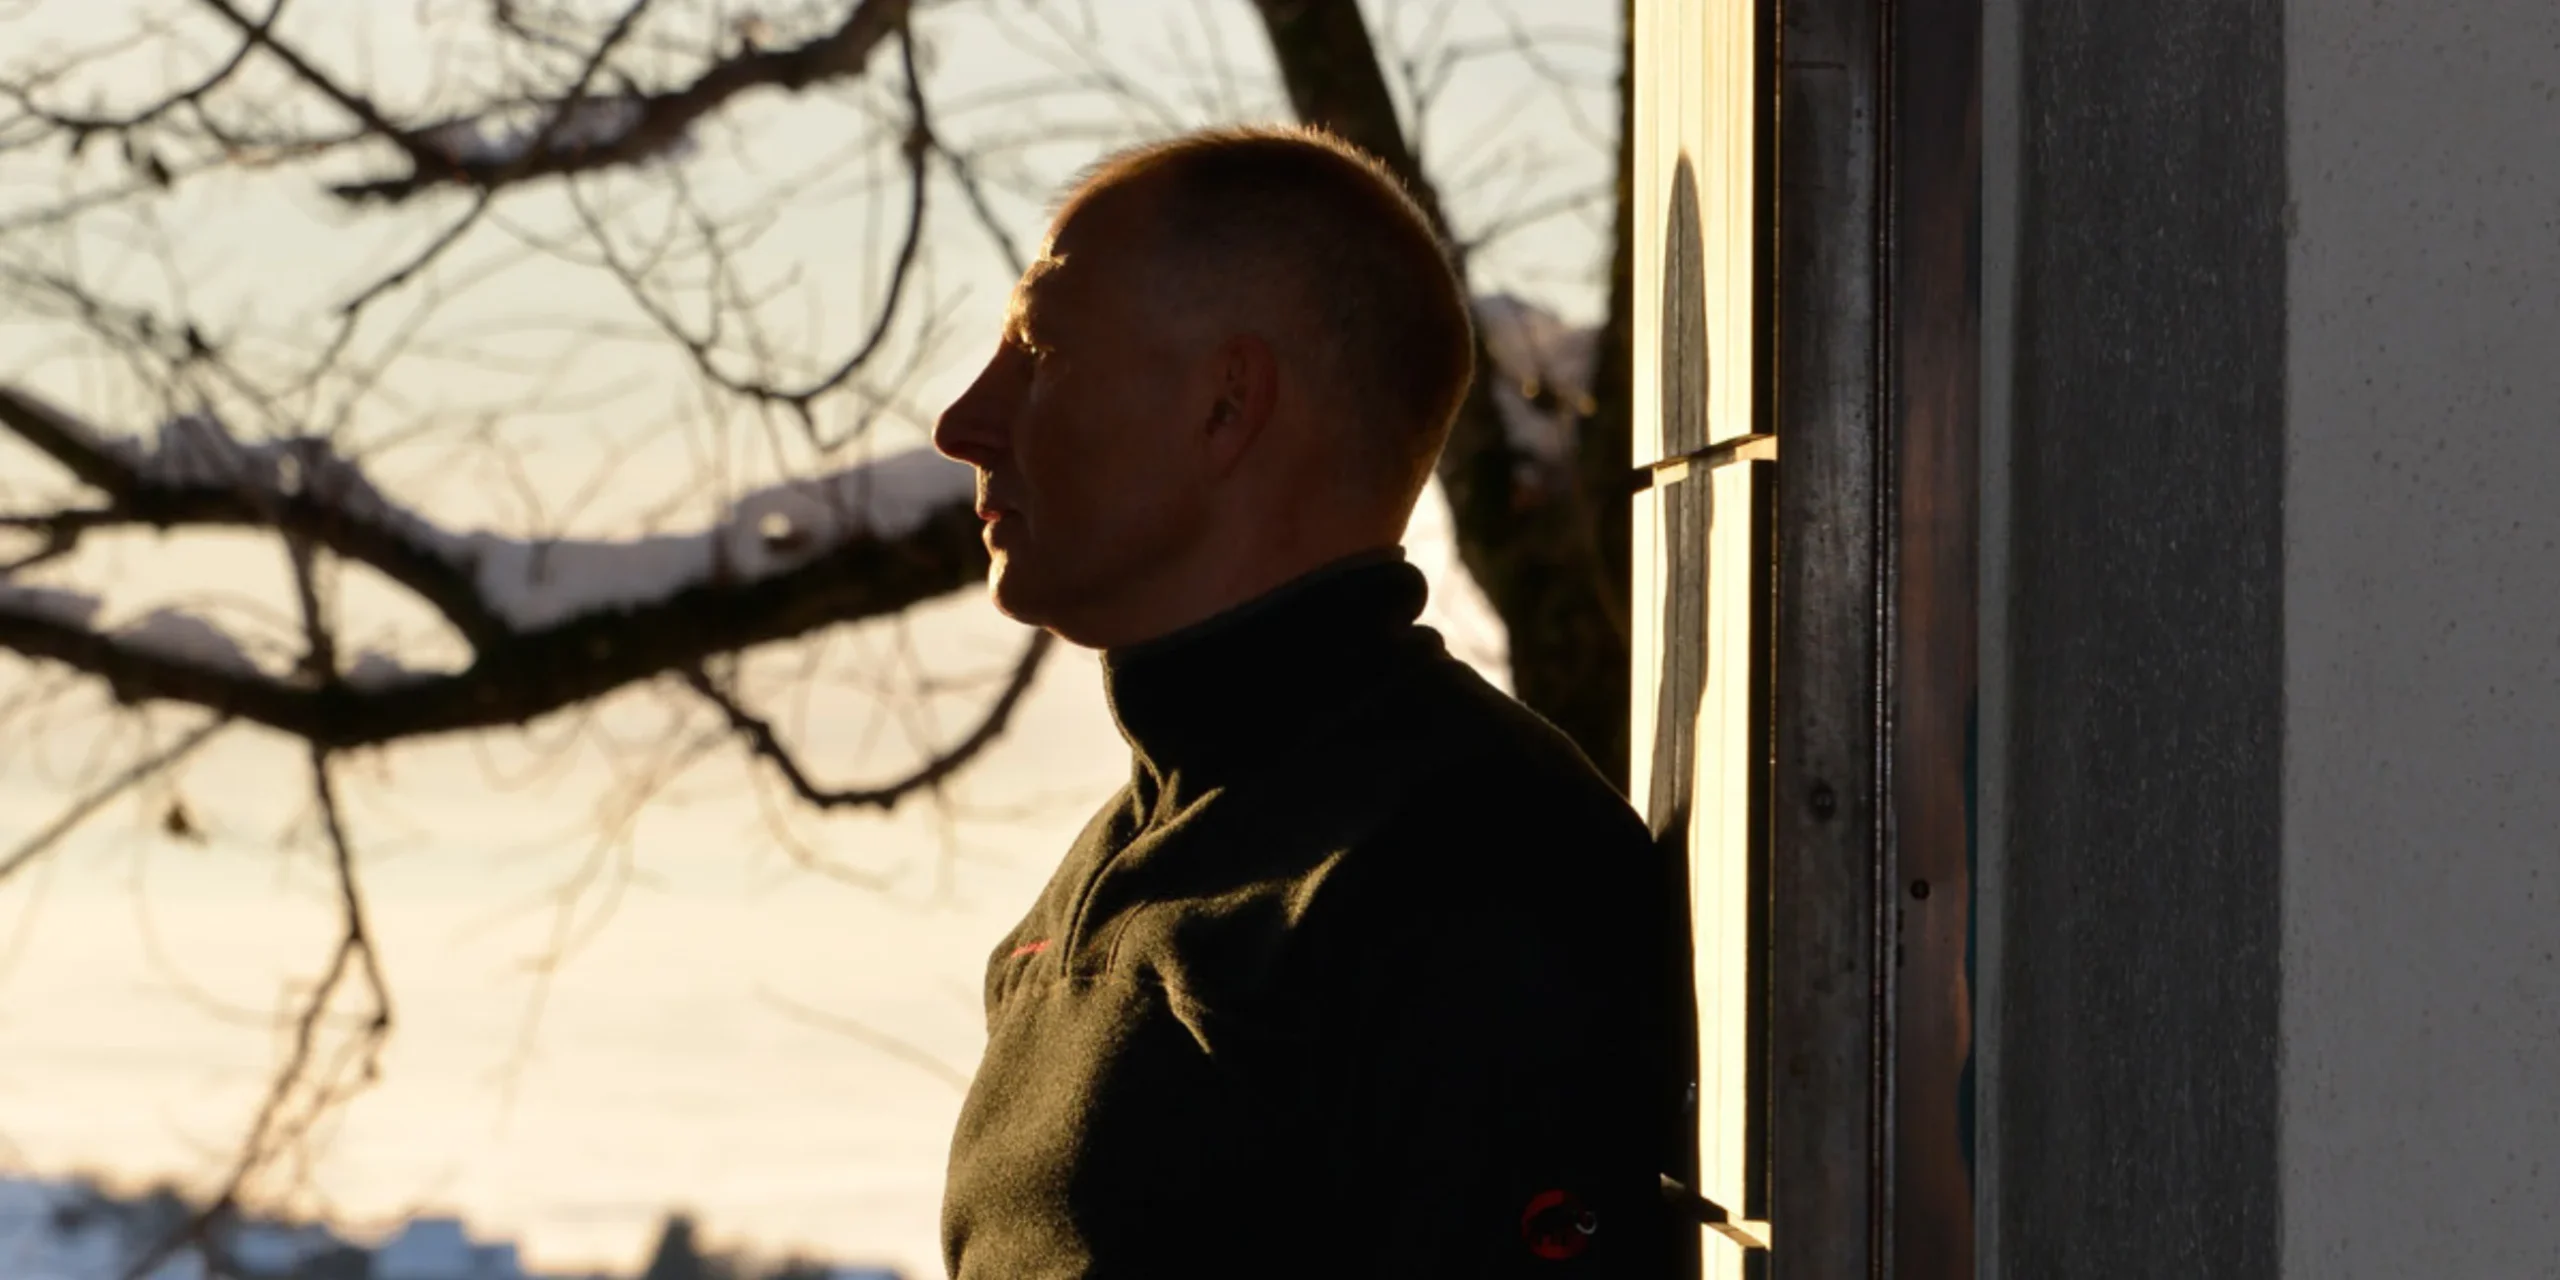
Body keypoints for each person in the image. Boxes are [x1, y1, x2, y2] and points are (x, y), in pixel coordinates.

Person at [930, 123, 1684, 1278]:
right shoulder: (1111, 868)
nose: (963, 423)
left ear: (1227, 404)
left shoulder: (1467, 865)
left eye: (1038, 350)